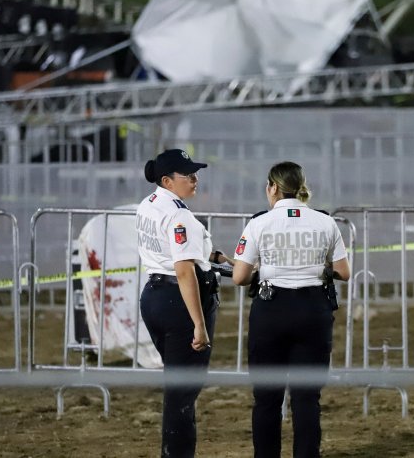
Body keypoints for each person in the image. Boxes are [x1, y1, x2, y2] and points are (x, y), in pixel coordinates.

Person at [231, 161, 350, 458]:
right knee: (307, 399)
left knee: (267, 399)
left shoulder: (259, 223)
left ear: (273, 187)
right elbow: (344, 272)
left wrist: (262, 268)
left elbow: (239, 277)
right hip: (313, 310)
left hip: (271, 310)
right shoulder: (325, 222)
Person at [136, 148, 219, 458]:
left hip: (154, 297)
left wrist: (221, 259)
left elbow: (189, 251)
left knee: (178, 387)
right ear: (168, 181)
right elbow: (185, 272)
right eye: (189, 175)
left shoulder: (149, 204)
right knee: (182, 394)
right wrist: (199, 324)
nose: (195, 179)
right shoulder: (179, 213)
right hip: (177, 301)